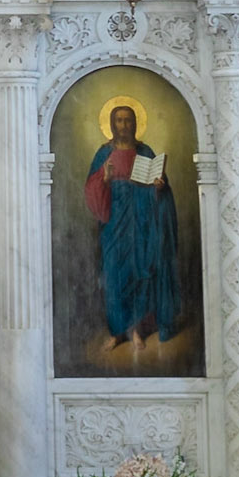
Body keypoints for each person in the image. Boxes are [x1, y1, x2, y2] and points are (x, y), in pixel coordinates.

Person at [85, 102, 182, 349]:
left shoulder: (145, 151)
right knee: (114, 275)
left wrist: (160, 187)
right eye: (119, 120)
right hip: (114, 222)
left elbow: (160, 185)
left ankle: (137, 329)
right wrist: (104, 179)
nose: (124, 125)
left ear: (135, 123)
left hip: (141, 222)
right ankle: (117, 332)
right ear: (111, 124)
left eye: (129, 120)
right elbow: (91, 189)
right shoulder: (103, 153)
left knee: (140, 273)